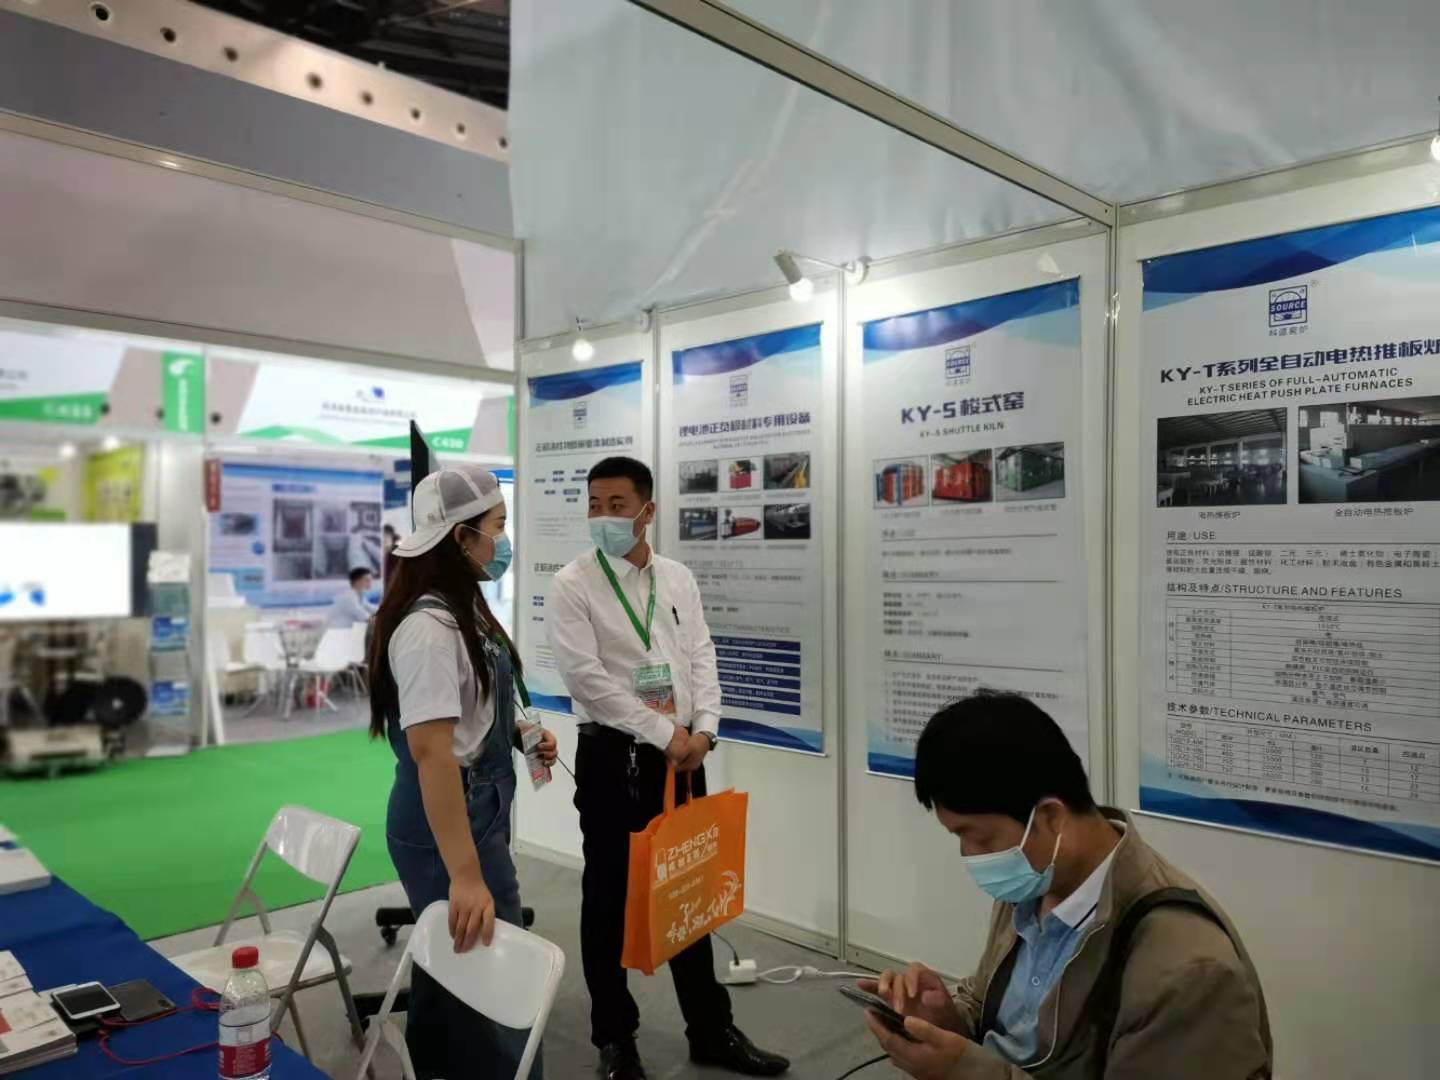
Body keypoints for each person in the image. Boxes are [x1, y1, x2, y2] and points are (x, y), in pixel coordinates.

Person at [861, 691, 1272, 1080]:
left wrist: (963, 1072)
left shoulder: (1186, 970)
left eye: (981, 839)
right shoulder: (1032, 883)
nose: (970, 856)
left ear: (1051, 817)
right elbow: (999, 1017)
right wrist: (946, 1020)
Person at [547, 456, 789, 1080]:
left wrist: (704, 729)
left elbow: (701, 653)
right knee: (607, 899)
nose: (603, 516)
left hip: (682, 760)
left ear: (647, 510)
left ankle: (710, 1028)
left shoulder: (677, 577)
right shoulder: (573, 584)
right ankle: (615, 1038)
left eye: (617, 505)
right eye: (594, 504)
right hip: (614, 757)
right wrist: (665, 733)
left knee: (688, 889)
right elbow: (586, 680)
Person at [368, 465, 557, 1080]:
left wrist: (522, 735)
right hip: (447, 823)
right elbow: (433, 755)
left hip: (473, 809)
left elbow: (471, 717)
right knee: (498, 980)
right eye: (497, 526)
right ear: (460, 537)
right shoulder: (428, 630)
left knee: (452, 969)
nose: (503, 541)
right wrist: (466, 875)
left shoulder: (462, 607)